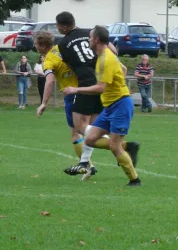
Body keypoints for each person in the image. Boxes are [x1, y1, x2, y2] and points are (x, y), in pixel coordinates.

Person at [56, 11, 137, 176]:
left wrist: (75, 87)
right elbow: (111, 49)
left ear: (63, 27)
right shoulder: (89, 32)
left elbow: (69, 66)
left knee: (79, 126)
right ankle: (88, 162)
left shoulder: (63, 43)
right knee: (92, 129)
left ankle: (122, 147)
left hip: (88, 83)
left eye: (57, 26)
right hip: (102, 84)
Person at [34, 31, 97, 181]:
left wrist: (43, 103)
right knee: (90, 130)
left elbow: (49, 81)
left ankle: (90, 164)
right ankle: (90, 164)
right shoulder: (64, 47)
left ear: (42, 46)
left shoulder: (49, 59)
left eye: (35, 44)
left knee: (79, 133)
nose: (34, 46)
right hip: (88, 89)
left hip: (73, 94)